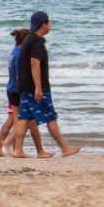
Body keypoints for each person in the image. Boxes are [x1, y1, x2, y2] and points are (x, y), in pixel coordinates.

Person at [10, 11, 81, 158]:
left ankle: (17, 150)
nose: (50, 25)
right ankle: (64, 148)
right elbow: (34, 64)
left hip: (24, 86)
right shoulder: (36, 41)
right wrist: (38, 87)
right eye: (49, 22)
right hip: (35, 87)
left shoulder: (28, 38)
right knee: (50, 116)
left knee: (24, 117)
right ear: (43, 24)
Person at [0, 28, 51, 157]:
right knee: (27, 121)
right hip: (18, 91)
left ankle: (2, 147)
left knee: (13, 120)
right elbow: (21, 76)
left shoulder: (14, 51)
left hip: (11, 89)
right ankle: (32, 150)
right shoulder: (21, 55)